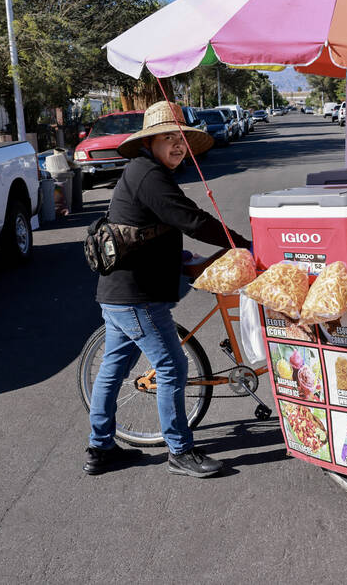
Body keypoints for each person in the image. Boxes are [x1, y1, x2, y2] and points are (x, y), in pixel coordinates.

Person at [86, 101, 249, 477]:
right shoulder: (148, 174)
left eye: (182, 139)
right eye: (169, 138)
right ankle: (180, 451)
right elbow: (191, 219)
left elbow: (155, 228)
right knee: (172, 365)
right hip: (135, 296)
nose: (178, 146)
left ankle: (101, 449)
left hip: (119, 293)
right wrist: (241, 244)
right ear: (150, 142)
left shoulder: (147, 171)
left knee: (113, 369)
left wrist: (181, 256)